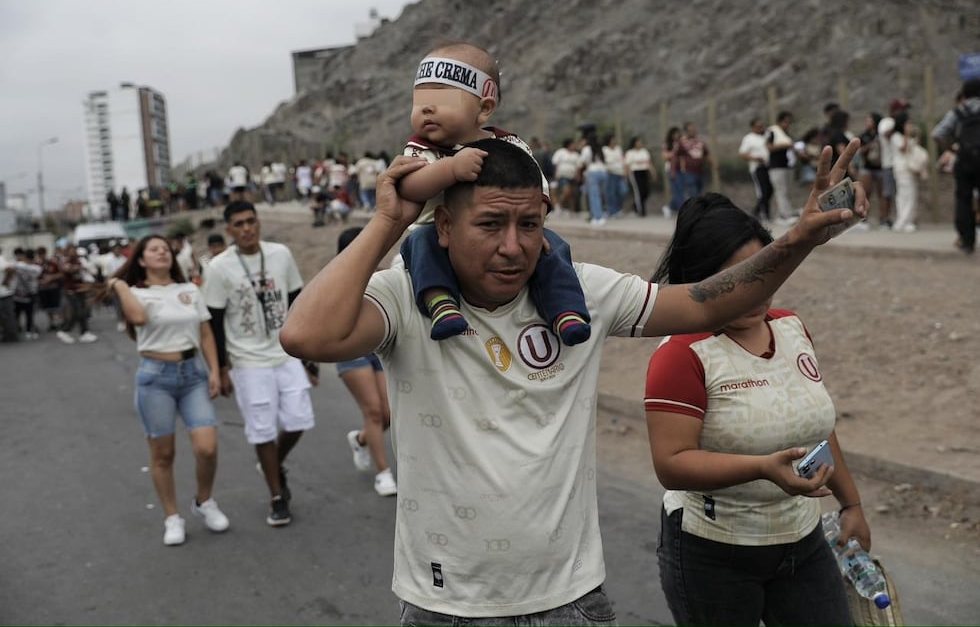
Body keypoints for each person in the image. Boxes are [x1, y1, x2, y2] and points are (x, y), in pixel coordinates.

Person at [279, 135, 867, 623]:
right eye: (490, 223)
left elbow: (704, 305)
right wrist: (388, 220)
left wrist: (799, 237)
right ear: (444, 229)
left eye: (529, 224)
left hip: (570, 601)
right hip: (443, 604)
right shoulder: (404, 300)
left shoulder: (582, 292)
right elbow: (306, 336)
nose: (513, 247)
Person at [644, 192, 869, 626]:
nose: (758, 290)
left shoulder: (791, 327)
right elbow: (672, 464)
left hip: (804, 543)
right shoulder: (682, 353)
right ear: (703, 282)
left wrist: (851, 504)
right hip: (713, 554)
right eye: (740, 278)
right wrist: (762, 467)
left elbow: (815, 426)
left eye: (764, 270)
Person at [396, 41, 591, 346]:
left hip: (501, 233)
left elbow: (539, 192)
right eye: (419, 101)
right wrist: (450, 170)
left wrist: (533, 226)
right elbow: (408, 186)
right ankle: (440, 302)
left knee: (553, 246)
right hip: (438, 235)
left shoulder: (511, 145)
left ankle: (565, 308)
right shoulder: (422, 148)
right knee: (419, 242)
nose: (426, 109)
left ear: (484, 108)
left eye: (441, 99)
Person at [104, 235, 229, 546]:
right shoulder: (135, 293)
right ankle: (172, 517)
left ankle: (204, 501)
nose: (162, 252)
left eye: (165, 249)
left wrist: (214, 370)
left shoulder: (189, 290)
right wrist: (119, 286)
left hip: (193, 375)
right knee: (163, 454)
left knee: (207, 447)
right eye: (153, 249)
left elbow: (205, 332)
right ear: (142, 260)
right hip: (154, 378)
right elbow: (138, 317)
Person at [203, 200, 314, 527]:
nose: (247, 228)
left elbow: (298, 302)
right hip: (247, 360)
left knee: (297, 420)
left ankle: (273, 464)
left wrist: (308, 356)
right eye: (239, 224)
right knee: (262, 429)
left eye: (251, 221)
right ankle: (277, 496)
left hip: (285, 352)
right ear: (229, 230)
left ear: (259, 223)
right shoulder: (219, 267)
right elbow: (215, 320)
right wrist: (221, 368)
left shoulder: (280, 254)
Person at [335, 227, 397, 497]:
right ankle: (383, 474)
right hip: (350, 349)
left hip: (378, 349)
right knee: (373, 411)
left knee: (389, 413)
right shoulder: (337, 279)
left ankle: (360, 440)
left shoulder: (385, 276)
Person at [932, 78, 980, 254]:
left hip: (965, 161)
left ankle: (967, 242)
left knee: (963, 199)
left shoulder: (958, 112)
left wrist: (951, 149)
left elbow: (937, 134)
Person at [739, 117, 773, 222]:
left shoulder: (766, 135)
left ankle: (756, 211)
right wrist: (755, 158)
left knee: (770, 190)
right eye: (758, 127)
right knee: (763, 191)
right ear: (753, 127)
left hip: (769, 167)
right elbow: (743, 154)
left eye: (762, 126)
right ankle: (766, 214)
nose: (761, 128)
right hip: (758, 167)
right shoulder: (748, 138)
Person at [766, 110, 796, 223]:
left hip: (787, 165)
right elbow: (769, 147)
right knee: (780, 190)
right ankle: (786, 215)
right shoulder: (773, 131)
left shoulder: (786, 133)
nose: (788, 124)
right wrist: (784, 145)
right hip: (776, 166)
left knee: (787, 190)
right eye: (786, 122)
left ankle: (782, 213)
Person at [624, 135, 656, 217]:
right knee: (639, 191)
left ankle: (635, 205)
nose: (640, 143)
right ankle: (641, 211)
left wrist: (653, 172)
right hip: (635, 172)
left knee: (646, 191)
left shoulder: (644, 151)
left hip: (644, 172)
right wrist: (626, 176)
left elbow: (648, 163)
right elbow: (627, 165)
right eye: (638, 142)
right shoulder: (630, 153)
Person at [662, 125, 683, 219]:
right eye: (675, 134)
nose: (677, 135)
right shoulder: (668, 144)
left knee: (680, 190)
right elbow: (665, 156)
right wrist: (674, 152)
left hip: (682, 168)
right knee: (677, 191)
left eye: (678, 133)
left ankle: (669, 207)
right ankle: (680, 211)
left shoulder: (682, 143)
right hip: (671, 169)